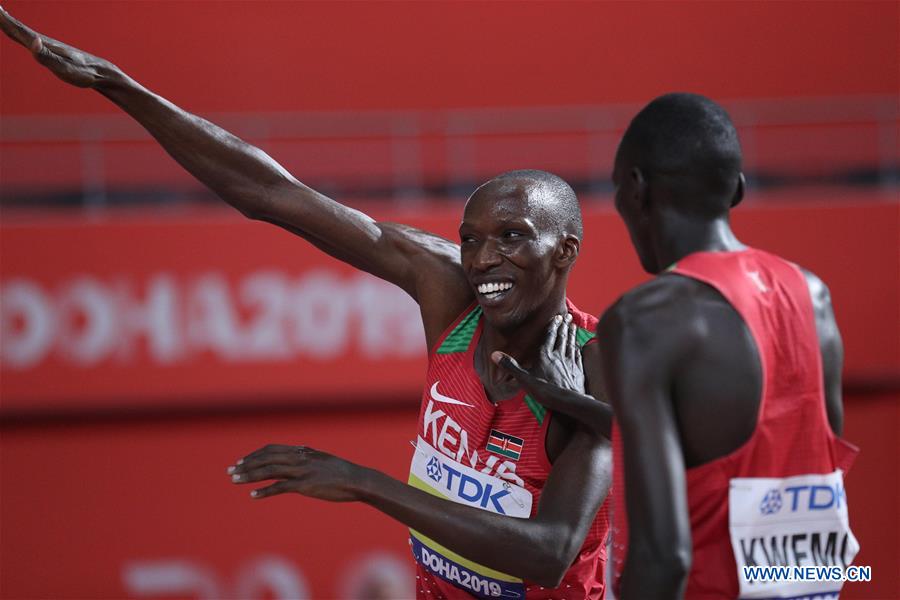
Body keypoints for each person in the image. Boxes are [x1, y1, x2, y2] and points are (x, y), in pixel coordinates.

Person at [0, 8, 613, 598]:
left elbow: (549, 553)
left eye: (511, 238)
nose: (482, 261)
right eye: (471, 240)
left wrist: (364, 483)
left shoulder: (593, 364)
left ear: (565, 251)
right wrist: (119, 85)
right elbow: (271, 192)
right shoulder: (449, 292)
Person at [506, 93, 861, 599]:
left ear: (636, 189)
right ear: (735, 189)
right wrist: (573, 403)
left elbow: (664, 556)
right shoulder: (812, 294)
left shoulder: (644, 319)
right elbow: (772, 459)